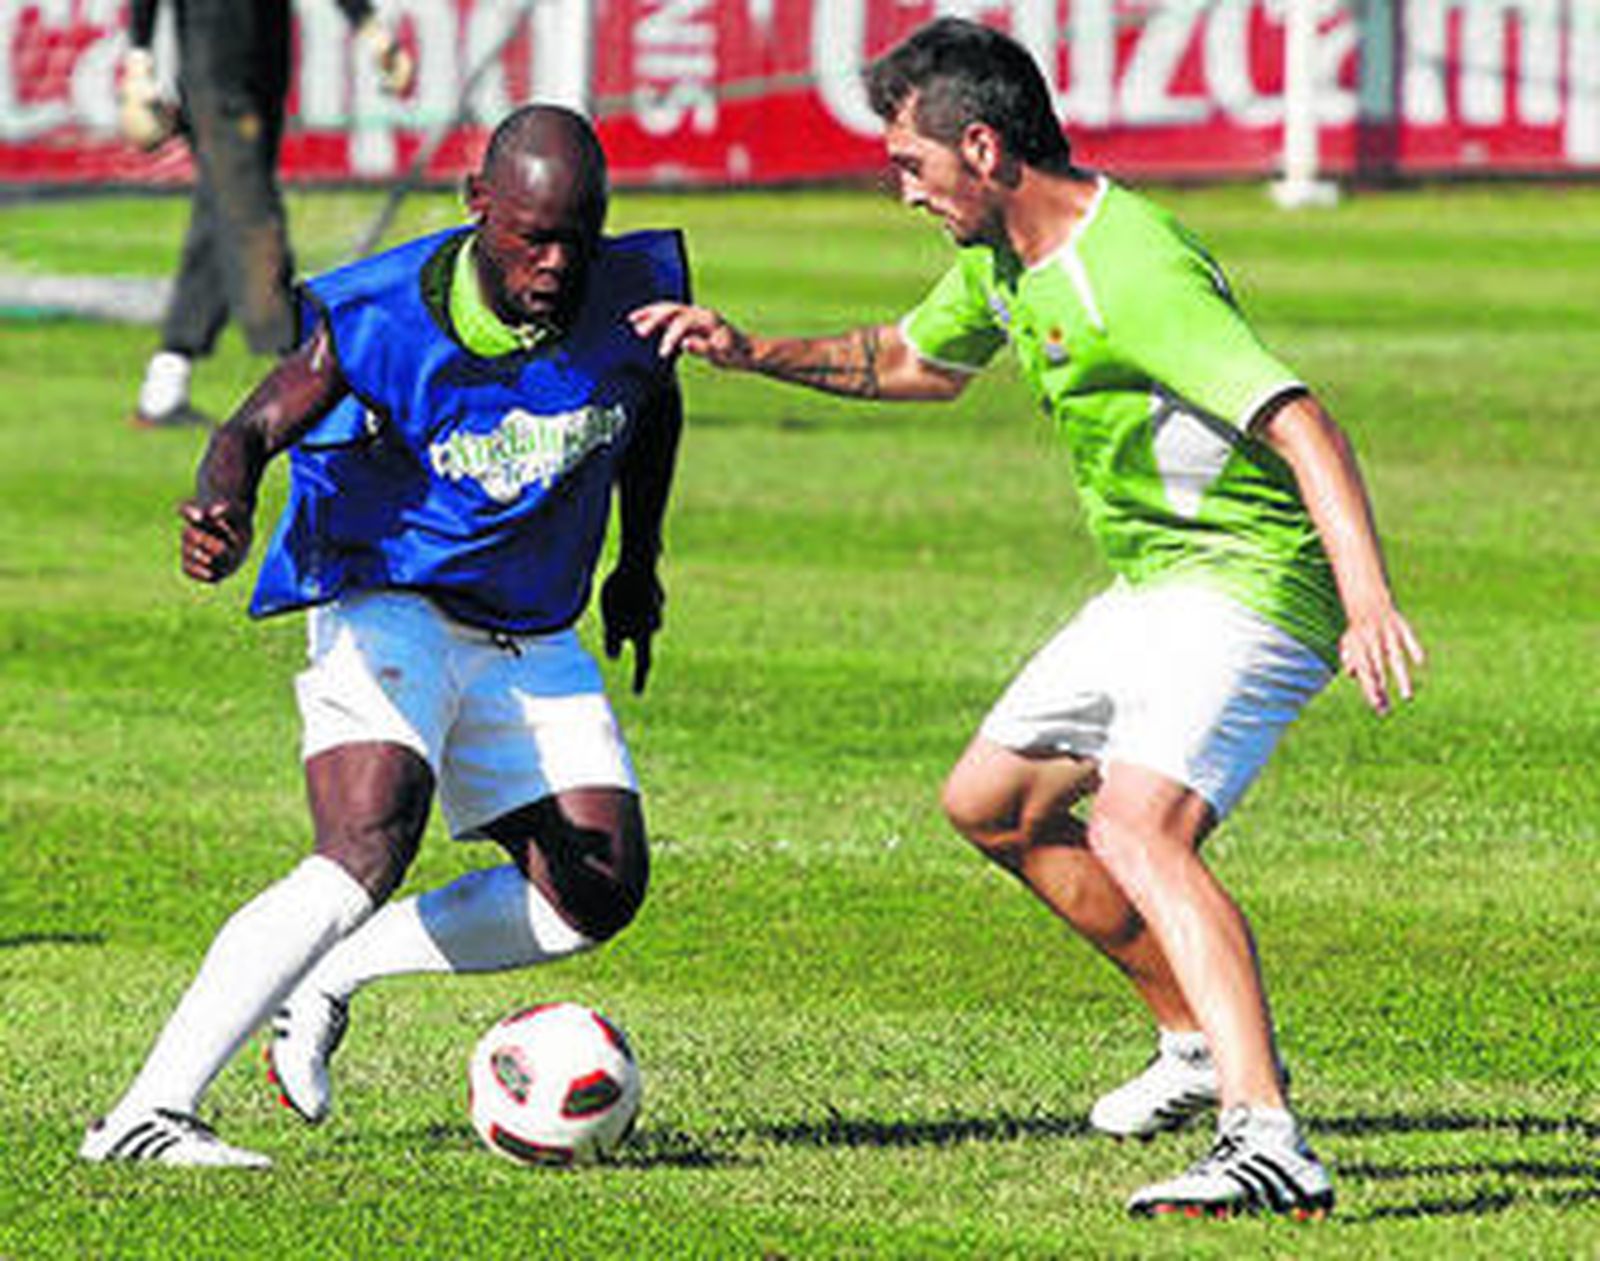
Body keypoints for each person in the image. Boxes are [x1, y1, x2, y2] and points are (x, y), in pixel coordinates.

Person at [631, 17, 1423, 1219]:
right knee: (988, 803)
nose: (900, 190)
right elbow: (911, 361)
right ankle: (1194, 1038)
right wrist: (746, 352)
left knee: (1138, 829)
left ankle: (1267, 1137)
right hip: (1159, 586)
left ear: (985, 148)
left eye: (911, 164)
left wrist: (1365, 597)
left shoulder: (1130, 269)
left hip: (1251, 584)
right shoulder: (1005, 254)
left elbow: (1299, 419)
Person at [81, 104, 688, 1167]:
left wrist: (638, 564)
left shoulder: (631, 294)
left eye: (574, 239)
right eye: (530, 237)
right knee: (367, 840)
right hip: (386, 593)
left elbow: (651, 407)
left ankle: (332, 972)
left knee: (597, 889)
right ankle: (148, 1111)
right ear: (478, 208)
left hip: (528, 624)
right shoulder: (376, 313)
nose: (554, 263)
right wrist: (219, 501)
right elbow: (252, 426)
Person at [117, 0, 416, 428]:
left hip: (265, 51)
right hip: (212, 57)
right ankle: (307, 365)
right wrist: (139, 58)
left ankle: (164, 384)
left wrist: (369, 27)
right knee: (251, 214)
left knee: (221, 208)